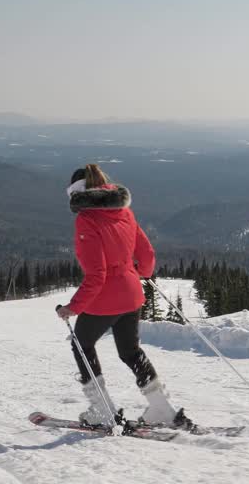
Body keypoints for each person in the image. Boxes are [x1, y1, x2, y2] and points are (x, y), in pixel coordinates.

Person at [55, 164, 183, 427]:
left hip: (105, 299)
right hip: (132, 295)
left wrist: (72, 307)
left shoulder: (86, 220)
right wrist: (142, 273)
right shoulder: (124, 211)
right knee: (130, 351)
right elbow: (146, 254)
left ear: (76, 194)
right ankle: (161, 408)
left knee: (82, 344)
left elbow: (97, 275)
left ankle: (102, 409)